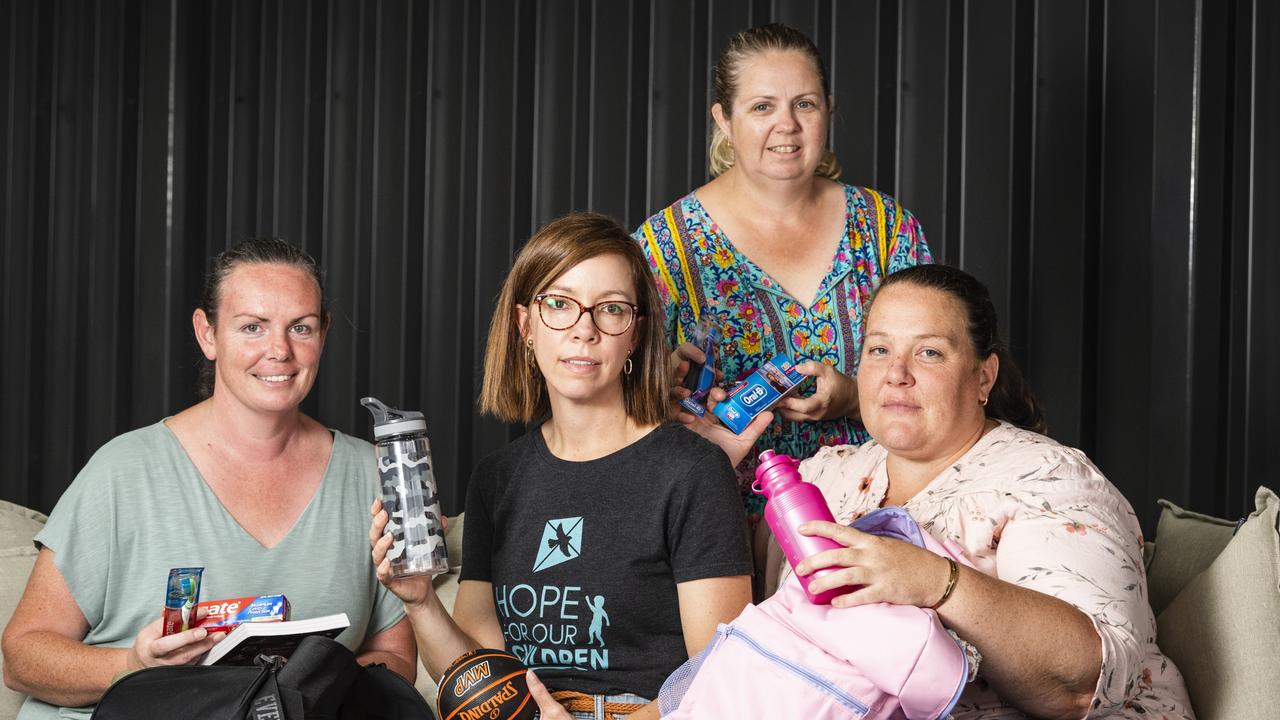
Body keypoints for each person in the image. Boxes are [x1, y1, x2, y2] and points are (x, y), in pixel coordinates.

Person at [368, 213, 764, 720]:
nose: (584, 331)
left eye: (611, 310)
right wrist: (419, 600)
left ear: (635, 335)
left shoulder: (691, 471)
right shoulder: (498, 478)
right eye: (559, 304)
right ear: (524, 326)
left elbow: (720, 675)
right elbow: (479, 676)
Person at [1, 239, 416, 719]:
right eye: (252, 327)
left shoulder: (371, 473)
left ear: (323, 333)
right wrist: (132, 664)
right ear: (208, 334)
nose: (278, 350)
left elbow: (395, 654)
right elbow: (21, 656)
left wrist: (300, 693)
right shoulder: (124, 471)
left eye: (299, 327)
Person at [770, 264, 1192, 718]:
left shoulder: (1046, 479)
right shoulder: (823, 479)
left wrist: (937, 582)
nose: (896, 373)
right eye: (879, 349)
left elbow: (1082, 687)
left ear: (983, 378)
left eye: (929, 352)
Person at [633, 23, 932, 531]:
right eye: (762, 107)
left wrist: (852, 396)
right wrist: (657, 386)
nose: (787, 125)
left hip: (879, 520)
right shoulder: (667, 246)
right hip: (716, 527)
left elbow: (938, 374)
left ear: (828, 110)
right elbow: (612, 398)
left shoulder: (885, 228)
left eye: (805, 104)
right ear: (724, 119)